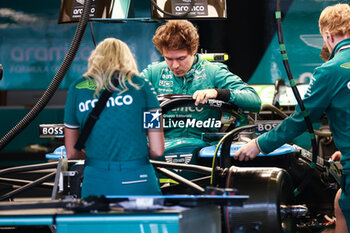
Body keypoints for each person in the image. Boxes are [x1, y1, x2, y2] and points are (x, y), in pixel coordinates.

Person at [233, 3, 350, 233]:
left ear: (327, 35)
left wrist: (259, 144)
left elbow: (301, 119)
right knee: (339, 202)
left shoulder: (330, 70)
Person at [64, 38, 164, 198]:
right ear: (127, 58)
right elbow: (157, 149)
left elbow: (71, 152)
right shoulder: (141, 85)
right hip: (137, 178)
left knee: (99, 223)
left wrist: (96, 156)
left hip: (96, 180)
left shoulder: (77, 88)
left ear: (94, 59)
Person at [141, 20, 261, 141]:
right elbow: (125, 94)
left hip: (203, 149)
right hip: (161, 150)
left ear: (194, 50)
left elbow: (254, 101)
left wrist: (217, 93)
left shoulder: (213, 72)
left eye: (181, 58)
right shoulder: (153, 73)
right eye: (168, 58)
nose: (175, 65)